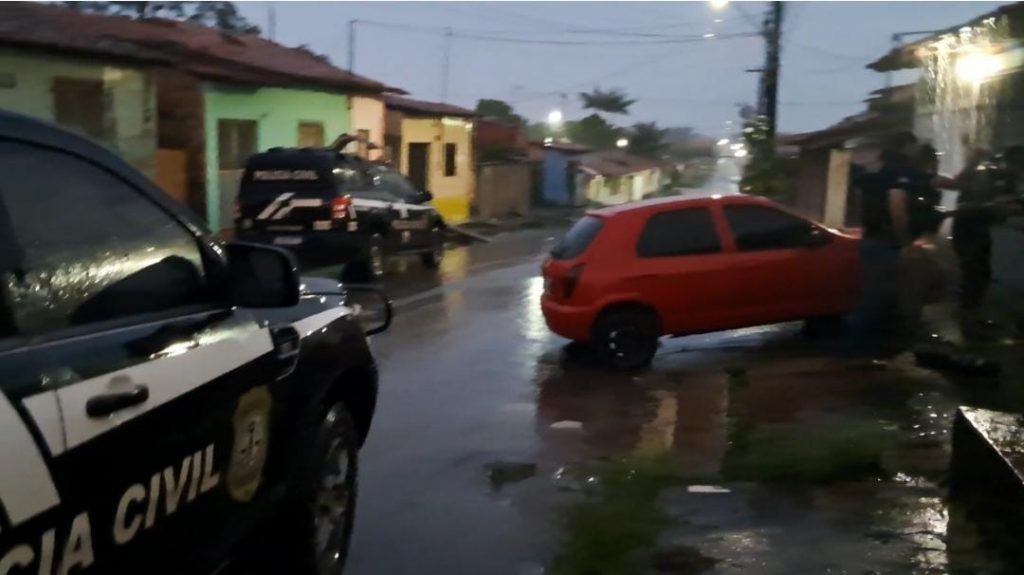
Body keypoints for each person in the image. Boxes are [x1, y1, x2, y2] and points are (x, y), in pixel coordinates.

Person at [952, 146, 1024, 315]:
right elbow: (976, 200)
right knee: (975, 273)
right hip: (970, 230)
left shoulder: (1006, 178)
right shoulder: (988, 174)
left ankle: (972, 314)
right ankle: (969, 316)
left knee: (980, 273)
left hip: (979, 229)